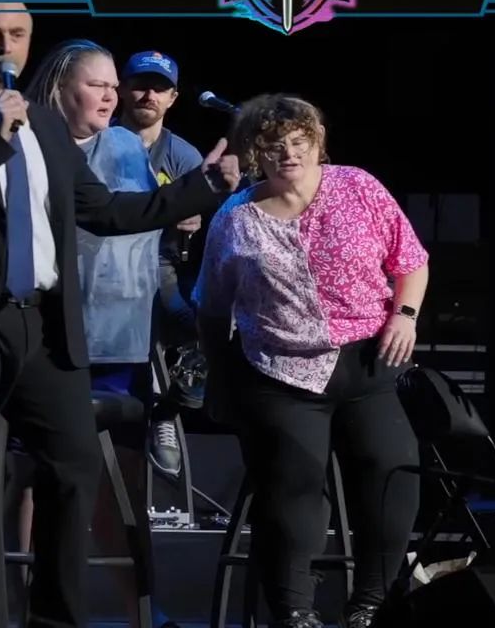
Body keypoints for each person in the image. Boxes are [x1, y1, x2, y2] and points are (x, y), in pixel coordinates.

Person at [0, 2, 238, 628]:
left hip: (40, 325)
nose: (5, 47)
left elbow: (105, 211)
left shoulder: (45, 125)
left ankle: (57, 619)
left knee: (74, 464)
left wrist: (204, 186)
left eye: (18, 34)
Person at [194, 94, 428, 628]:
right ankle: (295, 610)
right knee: (294, 487)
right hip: (281, 371)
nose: (289, 153)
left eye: (300, 142)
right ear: (256, 153)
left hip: (367, 361)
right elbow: (212, 307)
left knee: (393, 469)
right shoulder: (236, 219)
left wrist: (405, 315)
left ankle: (371, 604)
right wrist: (221, 380)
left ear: (318, 143)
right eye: (275, 145)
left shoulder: (357, 186)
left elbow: (411, 260)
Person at [26, 39, 179, 628]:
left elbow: (133, 224)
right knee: (34, 475)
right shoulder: (26, 142)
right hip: (46, 339)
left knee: (123, 482)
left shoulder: (123, 146)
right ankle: (23, 600)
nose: (113, 95)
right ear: (60, 88)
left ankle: (140, 608)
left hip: (119, 338)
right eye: (99, 84)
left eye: (115, 85)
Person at [116, 49, 204, 477]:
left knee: (206, 326)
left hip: (159, 263)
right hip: (99, 266)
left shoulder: (184, 156)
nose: (149, 95)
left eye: (159, 88)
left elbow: (205, 215)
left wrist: (197, 217)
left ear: (173, 98)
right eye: (140, 85)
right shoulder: (95, 141)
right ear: (121, 90)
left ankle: (165, 410)